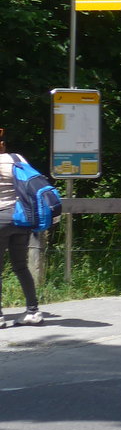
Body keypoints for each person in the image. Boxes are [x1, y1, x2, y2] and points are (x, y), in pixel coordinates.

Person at [0, 128, 43, 327]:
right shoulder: (17, 159)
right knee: (20, 266)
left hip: (1, 218)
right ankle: (33, 311)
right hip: (21, 218)